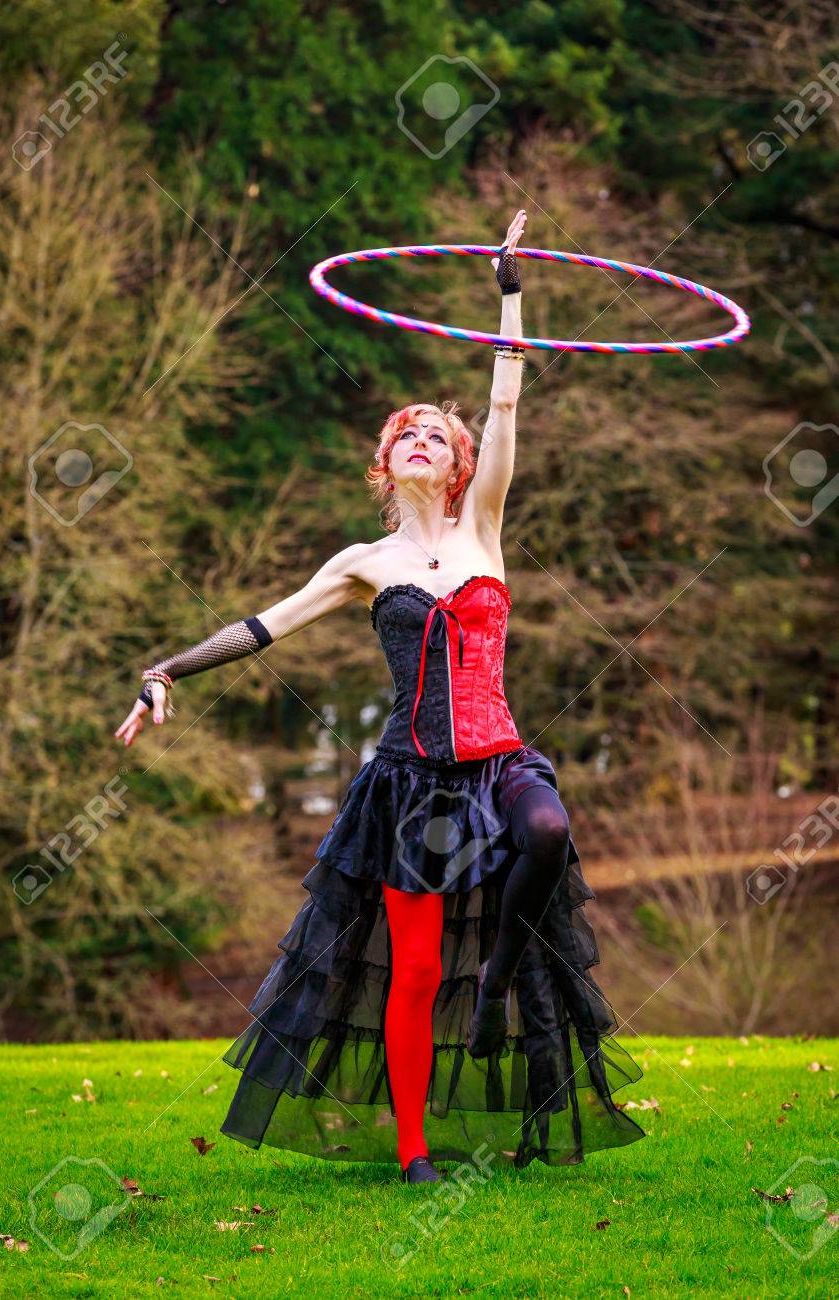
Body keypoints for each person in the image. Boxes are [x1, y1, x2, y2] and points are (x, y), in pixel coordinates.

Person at [116, 209, 647, 1184]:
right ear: (385, 462)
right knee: (407, 972)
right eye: (404, 431)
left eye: (436, 435)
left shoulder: (483, 526)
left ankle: (490, 983)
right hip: (407, 787)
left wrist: (510, 292)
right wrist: (163, 671)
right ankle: (411, 1153)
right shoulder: (362, 562)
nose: (419, 438)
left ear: (457, 468)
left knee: (542, 831)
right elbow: (262, 625)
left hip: (497, 764)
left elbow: (508, 406)